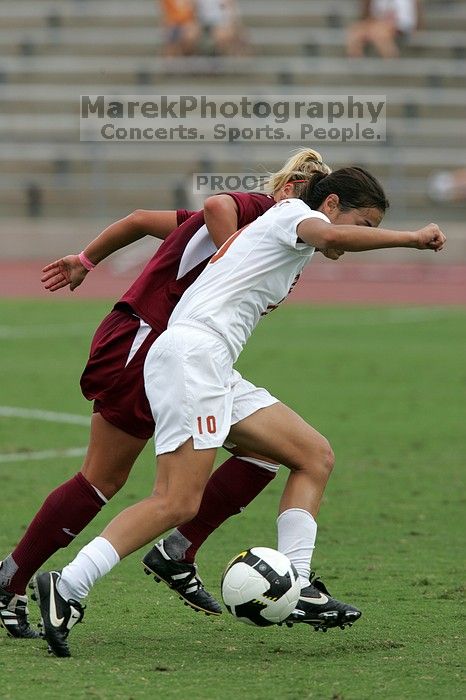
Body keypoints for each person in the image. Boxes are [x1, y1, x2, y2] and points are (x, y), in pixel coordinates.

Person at [32, 167, 446, 657]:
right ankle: (69, 586)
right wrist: (413, 238)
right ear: (331, 203)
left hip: (211, 363)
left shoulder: (293, 237)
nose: (364, 235)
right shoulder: (297, 215)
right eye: (367, 223)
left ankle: (296, 582)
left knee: (312, 455)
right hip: (192, 358)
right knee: (176, 501)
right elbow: (326, 232)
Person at [0, 149, 332, 639]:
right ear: (292, 188)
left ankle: (175, 551)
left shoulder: (279, 234)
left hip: (178, 353)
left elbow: (138, 220)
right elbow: (217, 206)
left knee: (270, 451)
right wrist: (229, 254)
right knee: (105, 479)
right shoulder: (263, 212)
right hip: (149, 339)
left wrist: (87, 260)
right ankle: (15, 580)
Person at [346, 0, 421, 59]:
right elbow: (374, 16)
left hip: (399, 26)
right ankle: (356, 63)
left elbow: (405, 21)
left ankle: (391, 62)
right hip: (379, 25)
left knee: (379, 33)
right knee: (355, 30)